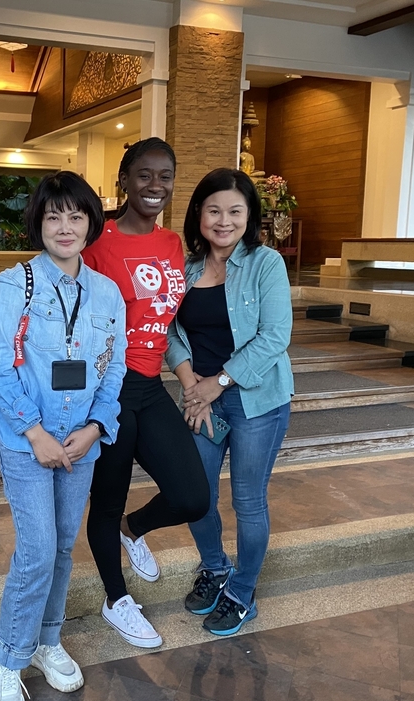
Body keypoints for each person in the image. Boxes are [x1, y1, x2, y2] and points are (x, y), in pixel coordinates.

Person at [0, 170, 127, 701]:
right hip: (28, 442)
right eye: (53, 216)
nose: (65, 227)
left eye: (76, 215)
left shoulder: (107, 292)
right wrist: (35, 433)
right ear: (38, 223)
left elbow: (111, 372)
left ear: (91, 222)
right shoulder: (13, 285)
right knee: (37, 551)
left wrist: (94, 429)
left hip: (80, 440)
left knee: (64, 548)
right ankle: (6, 661)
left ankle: (46, 640)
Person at [81, 137, 211, 649]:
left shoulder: (173, 244)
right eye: (144, 175)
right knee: (106, 501)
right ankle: (116, 600)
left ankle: (134, 530)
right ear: (123, 182)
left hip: (151, 384)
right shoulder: (97, 245)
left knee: (192, 495)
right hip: (109, 388)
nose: (155, 186)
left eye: (165, 177)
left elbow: (170, 319)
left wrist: (193, 376)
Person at [166, 167, 293, 637]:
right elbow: (169, 332)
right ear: (198, 214)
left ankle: (242, 591)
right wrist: (189, 382)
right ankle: (215, 567)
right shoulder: (185, 270)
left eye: (235, 211)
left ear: (249, 216)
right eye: (213, 210)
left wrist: (217, 383)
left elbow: (275, 336)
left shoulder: (266, 264)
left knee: (248, 501)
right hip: (202, 400)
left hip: (257, 401)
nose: (223, 220)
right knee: (196, 496)